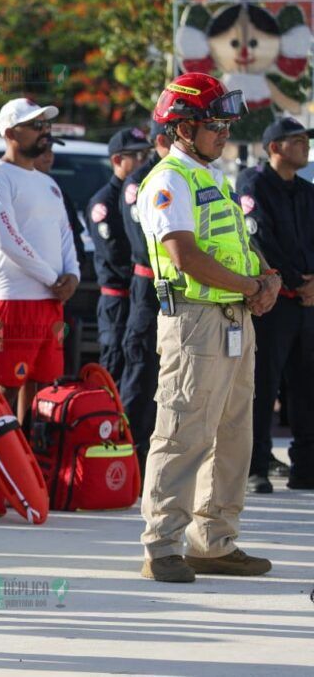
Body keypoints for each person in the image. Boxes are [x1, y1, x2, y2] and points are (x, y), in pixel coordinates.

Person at [137, 72, 278, 583]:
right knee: (183, 435)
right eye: (215, 123)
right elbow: (185, 254)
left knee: (233, 437)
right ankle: (161, 546)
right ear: (183, 127)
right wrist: (248, 287)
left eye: (225, 123)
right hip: (195, 322)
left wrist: (264, 277)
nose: (224, 132)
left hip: (233, 320)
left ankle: (213, 542)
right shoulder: (169, 179)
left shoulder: (210, 178)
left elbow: (236, 245)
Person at [0, 98, 80, 423]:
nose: (44, 132)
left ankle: (33, 464)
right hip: (13, 298)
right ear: (9, 133)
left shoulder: (49, 183)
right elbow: (7, 238)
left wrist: (72, 275)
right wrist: (52, 278)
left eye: (46, 125)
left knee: (43, 389)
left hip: (50, 302)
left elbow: (65, 234)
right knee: (4, 389)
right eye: (35, 125)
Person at [237, 117, 314, 494]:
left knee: (307, 385)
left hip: (307, 302)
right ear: (274, 148)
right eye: (296, 141)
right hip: (273, 303)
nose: (304, 146)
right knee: (262, 385)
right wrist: (299, 282)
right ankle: (255, 466)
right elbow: (259, 238)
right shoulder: (253, 185)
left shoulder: (306, 190)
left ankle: (306, 466)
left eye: (305, 140)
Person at [119, 121, 173, 478]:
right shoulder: (142, 181)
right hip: (148, 287)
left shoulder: (192, 176)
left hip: (178, 290)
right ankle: (128, 458)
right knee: (140, 373)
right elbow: (144, 243)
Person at [87, 128, 152, 382]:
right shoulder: (104, 202)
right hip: (119, 300)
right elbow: (116, 254)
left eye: (146, 154)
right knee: (114, 368)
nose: (144, 161)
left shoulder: (140, 193)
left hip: (139, 295)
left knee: (139, 368)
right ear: (117, 160)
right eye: (136, 156)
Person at [33, 139, 89, 276]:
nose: (48, 156)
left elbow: (74, 239)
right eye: (42, 151)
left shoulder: (56, 191)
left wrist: (72, 273)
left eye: (50, 150)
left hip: (62, 280)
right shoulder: (14, 187)